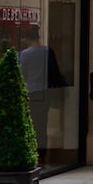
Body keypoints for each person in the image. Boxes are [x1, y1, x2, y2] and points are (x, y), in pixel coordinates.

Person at [19, 25, 68, 163]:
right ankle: (42, 155)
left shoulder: (25, 54)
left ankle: (33, 152)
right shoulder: (48, 51)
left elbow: (22, 74)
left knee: (32, 124)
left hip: (31, 91)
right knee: (42, 124)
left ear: (28, 38)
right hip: (45, 92)